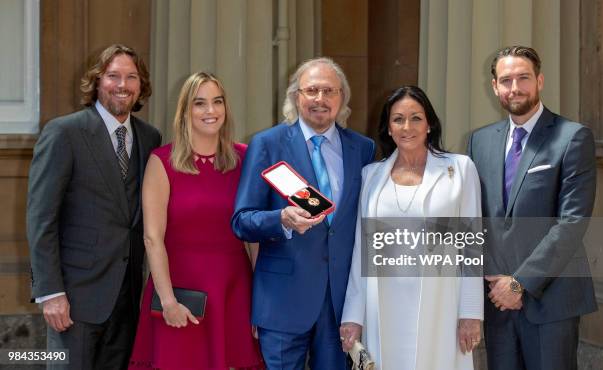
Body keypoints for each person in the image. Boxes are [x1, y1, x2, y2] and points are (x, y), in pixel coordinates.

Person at [231, 57, 375, 369]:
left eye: (329, 91)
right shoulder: (267, 144)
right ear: (296, 96)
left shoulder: (363, 149)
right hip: (283, 301)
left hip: (340, 304)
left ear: (342, 98)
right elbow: (242, 221)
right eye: (311, 90)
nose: (320, 100)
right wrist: (280, 219)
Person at [27, 44, 162, 369]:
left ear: (140, 85)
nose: (122, 85)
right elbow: (41, 219)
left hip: (127, 299)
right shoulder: (63, 133)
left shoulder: (150, 138)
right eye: (113, 75)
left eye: (131, 77)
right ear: (97, 81)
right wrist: (50, 293)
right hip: (74, 301)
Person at [467, 46, 597, 370]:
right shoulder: (479, 142)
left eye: (523, 78)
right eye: (506, 80)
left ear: (539, 81)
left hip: (551, 301)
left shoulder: (573, 137)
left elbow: (572, 223)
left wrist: (519, 282)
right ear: (494, 87)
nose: (515, 88)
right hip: (498, 303)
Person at [340, 86, 484, 369]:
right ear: (388, 128)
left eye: (416, 118)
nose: (407, 127)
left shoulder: (461, 170)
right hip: (383, 303)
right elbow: (361, 251)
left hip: (441, 303)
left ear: (429, 124)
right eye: (398, 119)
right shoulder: (371, 176)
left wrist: (470, 312)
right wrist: (353, 315)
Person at [128, 72, 264, 369]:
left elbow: (254, 237)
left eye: (217, 102)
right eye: (200, 103)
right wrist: (167, 301)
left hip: (234, 290)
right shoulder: (162, 161)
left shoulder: (246, 159)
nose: (210, 111)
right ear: (186, 111)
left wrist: (262, 303)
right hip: (178, 292)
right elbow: (152, 237)